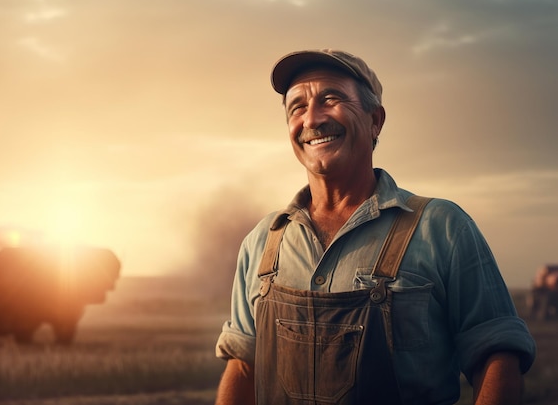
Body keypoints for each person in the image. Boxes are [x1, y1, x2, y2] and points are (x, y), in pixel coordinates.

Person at [214, 49, 536, 405]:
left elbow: (498, 357)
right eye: (297, 107)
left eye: (330, 99)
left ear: (375, 121)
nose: (312, 119)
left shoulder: (443, 228)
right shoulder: (262, 241)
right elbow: (243, 366)